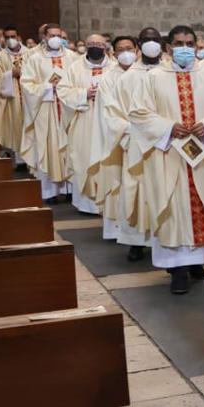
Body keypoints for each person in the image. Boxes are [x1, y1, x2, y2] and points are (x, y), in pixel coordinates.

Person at [130, 25, 204, 294]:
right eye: (179, 43)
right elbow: (138, 113)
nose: (185, 48)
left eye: (190, 43)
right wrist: (168, 127)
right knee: (174, 207)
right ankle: (177, 269)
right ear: (169, 48)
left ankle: (198, 262)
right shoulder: (153, 77)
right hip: (169, 154)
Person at [115, 28, 166, 260]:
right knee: (136, 191)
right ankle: (136, 241)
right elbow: (112, 112)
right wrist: (133, 131)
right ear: (139, 45)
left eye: (155, 40)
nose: (151, 44)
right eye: (146, 40)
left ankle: (168, 239)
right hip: (137, 143)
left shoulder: (171, 72)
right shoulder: (127, 78)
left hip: (167, 142)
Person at [20, 24, 82, 202]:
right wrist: (48, 87)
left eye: (58, 35)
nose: (56, 38)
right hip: (46, 109)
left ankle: (70, 189)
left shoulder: (73, 57)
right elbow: (27, 85)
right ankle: (50, 192)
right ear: (44, 37)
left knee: (70, 147)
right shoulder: (35, 59)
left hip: (68, 109)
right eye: (52, 35)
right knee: (48, 147)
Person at [89, 36, 139, 242]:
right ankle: (123, 233)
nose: (126, 52)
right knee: (119, 182)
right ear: (114, 53)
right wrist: (131, 128)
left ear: (137, 50)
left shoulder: (149, 74)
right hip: (121, 139)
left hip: (149, 139)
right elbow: (108, 111)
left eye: (129, 48)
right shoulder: (108, 78)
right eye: (121, 49)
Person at [64, 33, 112, 214]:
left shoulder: (115, 68)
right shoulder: (75, 68)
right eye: (91, 43)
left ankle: (108, 203)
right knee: (83, 158)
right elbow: (63, 91)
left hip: (108, 123)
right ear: (85, 45)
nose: (95, 47)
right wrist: (84, 94)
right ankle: (86, 204)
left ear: (105, 47)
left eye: (99, 44)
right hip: (84, 121)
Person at [0, 26, 28, 167]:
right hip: (12, 99)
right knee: (16, 128)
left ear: (18, 37)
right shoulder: (1, 57)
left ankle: (32, 160)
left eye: (13, 36)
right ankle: (20, 161)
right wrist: (9, 74)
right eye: (7, 37)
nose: (10, 40)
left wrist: (24, 72)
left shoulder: (30, 54)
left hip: (29, 98)